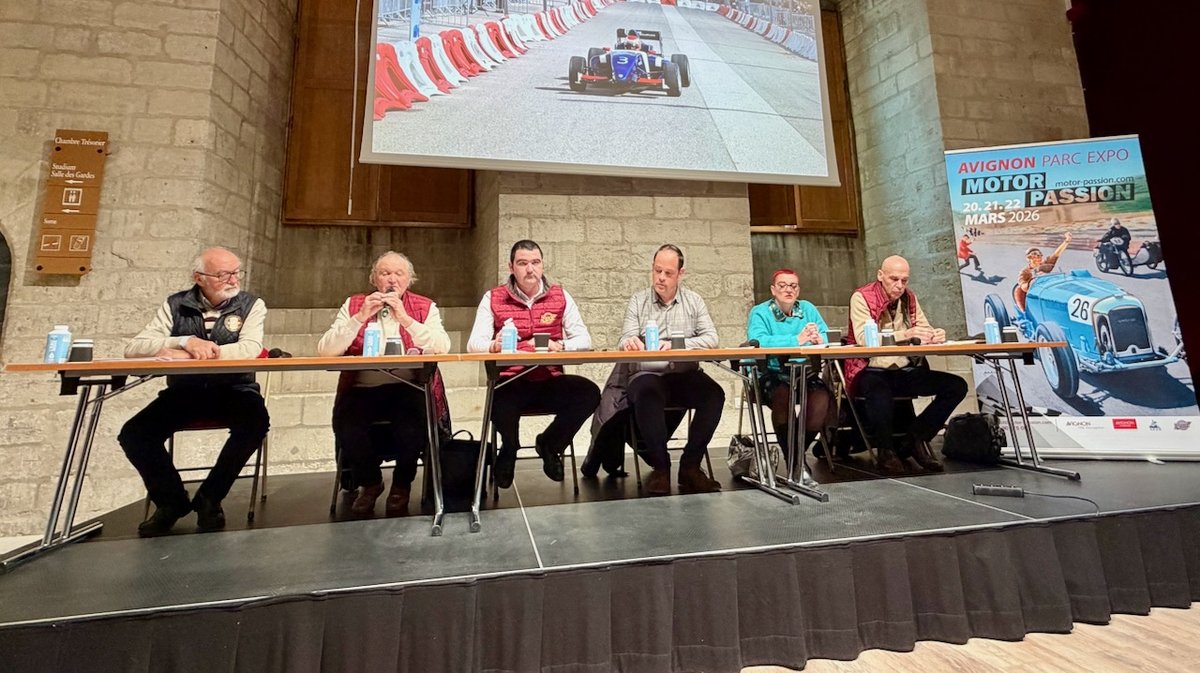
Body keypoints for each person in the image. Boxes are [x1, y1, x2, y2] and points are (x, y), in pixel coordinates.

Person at [119, 247, 270, 536]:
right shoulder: (175, 304)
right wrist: (184, 341)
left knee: (255, 423)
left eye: (236, 272)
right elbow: (135, 348)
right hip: (185, 391)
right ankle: (171, 501)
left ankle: (210, 499)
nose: (233, 280)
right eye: (223, 274)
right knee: (134, 434)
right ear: (199, 277)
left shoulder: (252, 305)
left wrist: (192, 354)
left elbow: (250, 349)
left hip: (235, 388)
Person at [317, 251, 451, 516]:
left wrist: (406, 319)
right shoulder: (355, 304)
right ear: (374, 279)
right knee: (346, 423)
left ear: (409, 280)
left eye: (399, 274)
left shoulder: (424, 307)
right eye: (385, 273)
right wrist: (359, 317)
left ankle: (402, 484)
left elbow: (442, 347)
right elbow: (325, 351)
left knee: (412, 425)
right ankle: (370, 482)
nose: (392, 280)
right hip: (363, 388)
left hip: (408, 386)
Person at [585, 244, 724, 496]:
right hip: (647, 375)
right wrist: (630, 342)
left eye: (668, 273)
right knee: (647, 390)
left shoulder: (694, 301)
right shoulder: (639, 301)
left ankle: (690, 466)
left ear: (680, 274)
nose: (661, 277)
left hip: (683, 376)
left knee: (714, 394)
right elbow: (624, 338)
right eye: (657, 271)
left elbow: (711, 339)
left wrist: (676, 345)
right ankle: (661, 468)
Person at [466, 240, 600, 489]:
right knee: (499, 397)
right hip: (511, 381)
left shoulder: (560, 296)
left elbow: (585, 340)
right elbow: (473, 344)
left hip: (550, 379)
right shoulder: (493, 298)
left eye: (535, 262)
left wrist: (561, 346)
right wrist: (493, 345)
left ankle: (550, 444)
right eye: (522, 263)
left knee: (589, 392)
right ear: (511, 267)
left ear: (542, 265)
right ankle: (509, 448)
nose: (530, 269)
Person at [844, 256, 967, 474]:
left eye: (904, 280)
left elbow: (923, 327)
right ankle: (886, 450)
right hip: (870, 368)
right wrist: (906, 334)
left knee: (956, 386)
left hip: (904, 368)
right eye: (894, 279)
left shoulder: (909, 298)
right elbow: (864, 338)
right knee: (878, 390)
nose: (900, 285)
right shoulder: (861, 297)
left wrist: (934, 335)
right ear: (880, 276)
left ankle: (915, 438)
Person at [746, 269, 833, 460]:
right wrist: (797, 339)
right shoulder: (760, 312)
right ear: (773, 290)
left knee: (821, 398)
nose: (788, 290)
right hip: (771, 374)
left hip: (805, 373)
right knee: (783, 394)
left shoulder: (808, 309)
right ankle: (795, 462)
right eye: (782, 285)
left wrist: (819, 339)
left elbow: (828, 335)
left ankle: (796, 458)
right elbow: (758, 341)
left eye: (793, 286)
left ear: (798, 290)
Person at [1014, 232, 1072, 311]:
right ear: (1029, 259)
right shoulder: (1025, 272)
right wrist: (1033, 282)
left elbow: (1056, 254)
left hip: (1048, 290)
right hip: (1036, 296)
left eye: (1039, 256)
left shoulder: (1044, 265)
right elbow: (1023, 286)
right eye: (1034, 257)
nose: (1037, 259)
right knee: (1018, 290)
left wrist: (1067, 241)